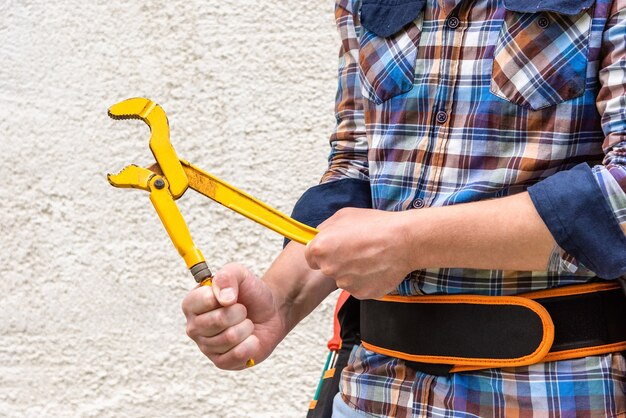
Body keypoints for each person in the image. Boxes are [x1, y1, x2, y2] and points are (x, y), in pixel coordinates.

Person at [182, 0, 626, 416]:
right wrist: (280, 300)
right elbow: (356, 167)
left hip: (549, 396)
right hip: (369, 395)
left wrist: (412, 242)